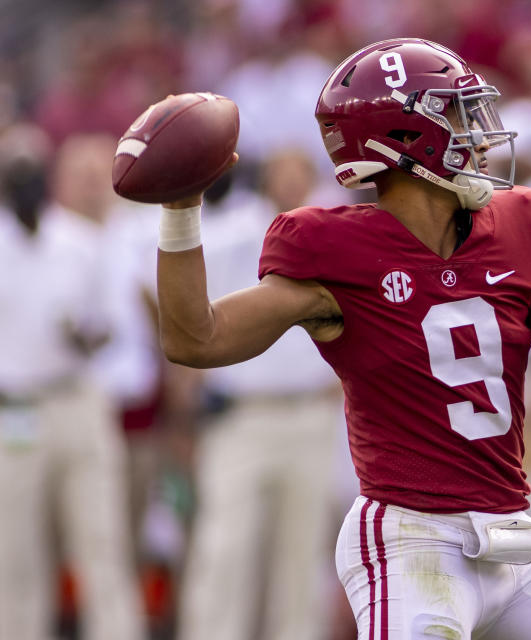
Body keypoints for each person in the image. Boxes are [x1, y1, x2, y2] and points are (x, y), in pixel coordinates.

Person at [150, 38, 531, 639]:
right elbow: (195, 339)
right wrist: (180, 209)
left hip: (512, 536)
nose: (481, 135)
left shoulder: (524, 224)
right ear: (409, 140)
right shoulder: (337, 251)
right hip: (411, 540)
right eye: (460, 114)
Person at [176, 148, 347, 640]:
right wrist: (187, 402)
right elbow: (190, 315)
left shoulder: (334, 235)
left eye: (300, 175)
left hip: (310, 412)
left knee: (302, 551)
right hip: (242, 416)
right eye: (283, 173)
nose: (291, 184)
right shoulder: (232, 235)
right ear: (268, 178)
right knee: (226, 544)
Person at [0, 130, 146, 640]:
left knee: (100, 541)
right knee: (14, 550)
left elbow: (113, 323)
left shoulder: (81, 243)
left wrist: (86, 335)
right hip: (16, 409)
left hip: (77, 399)